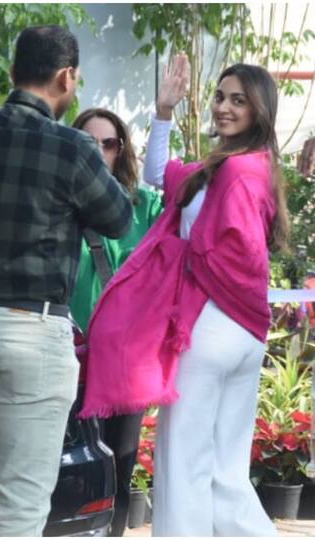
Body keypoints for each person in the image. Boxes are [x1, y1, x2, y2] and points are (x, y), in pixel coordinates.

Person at [79, 55, 288, 536]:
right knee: (224, 469)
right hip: (247, 332)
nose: (223, 107)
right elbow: (160, 175)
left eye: (239, 100)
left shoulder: (235, 172)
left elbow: (233, 251)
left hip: (212, 326)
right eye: (220, 96)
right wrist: (164, 110)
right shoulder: (250, 166)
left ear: (260, 108)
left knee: (183, 463)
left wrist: (182, 256)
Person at [0, 26, 133, 537]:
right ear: (66, 77)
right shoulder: (72, 147)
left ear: (14, 72)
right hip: (33, 330)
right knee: (22, 502)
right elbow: (119, 219)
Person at [69, 108, 163, 537]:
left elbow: (181, 197)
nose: (101, 152)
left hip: (124, 357)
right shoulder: (62, 203)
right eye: (90, 143)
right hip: (70, 353)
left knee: (120, 461)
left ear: (121, 149)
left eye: (109, 144)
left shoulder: (143, 206)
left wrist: (163, 116)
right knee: (74, 468)